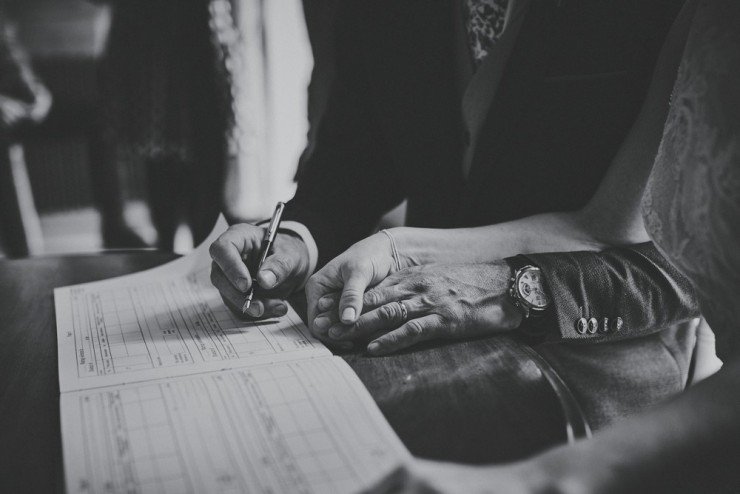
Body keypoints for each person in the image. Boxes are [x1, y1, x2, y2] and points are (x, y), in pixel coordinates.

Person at [210, 0, 700, 431]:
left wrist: (493, 283)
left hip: (604, 356)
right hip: (416, 341)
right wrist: (297, 238)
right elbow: (351, 166)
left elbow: (686, 257)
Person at [362, 0, 740, 491]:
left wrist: (548, 479)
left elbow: (648, 256)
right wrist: (400, 248)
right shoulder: (704, 18)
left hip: (622, 357)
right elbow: (600, 226)